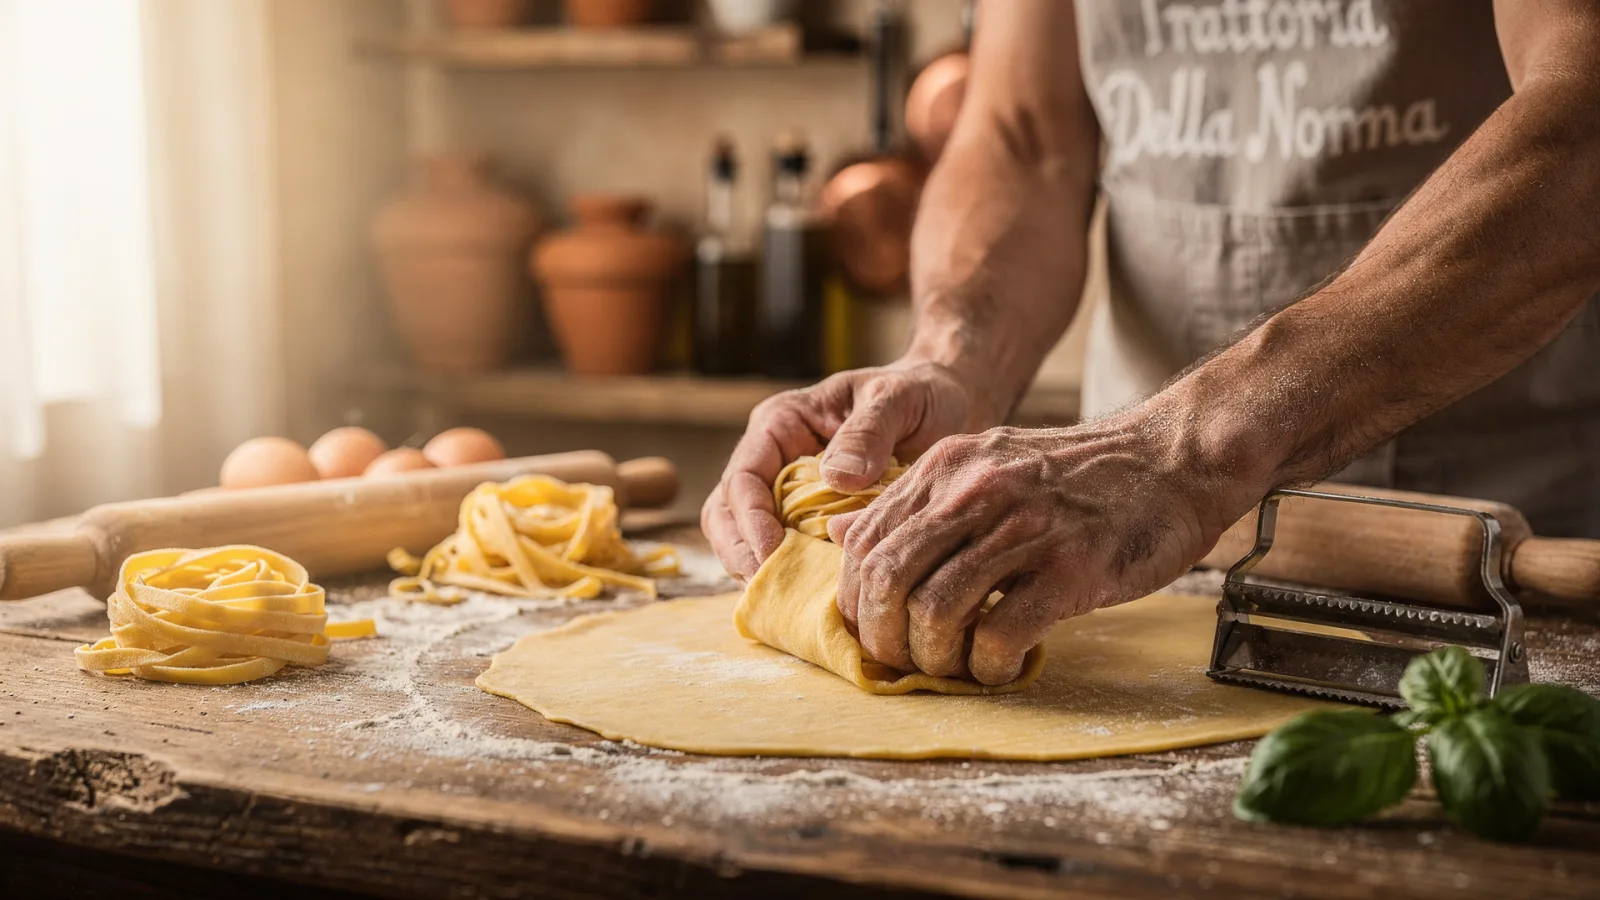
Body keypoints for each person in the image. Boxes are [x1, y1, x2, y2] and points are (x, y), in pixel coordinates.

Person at [704, 0, 1600, 687]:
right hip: (1116, 565)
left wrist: (1183, 450)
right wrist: (954, 358)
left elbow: (1584, 114)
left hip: (1511, 562)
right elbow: (1026, 132)